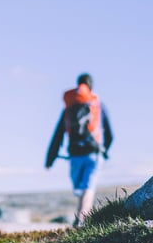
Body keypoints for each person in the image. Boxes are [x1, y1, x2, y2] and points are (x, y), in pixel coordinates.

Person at [45, 73, 113, 227]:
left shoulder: (68, 109)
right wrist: (105, 150)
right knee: (88, 188)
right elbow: (110, 134)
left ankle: (80, 217)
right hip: (94, 154)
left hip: (74, 155)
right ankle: (81, 218)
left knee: (80, 188)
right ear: (91, 86)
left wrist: (50, 158)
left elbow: (58, 135)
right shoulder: (98, 106)